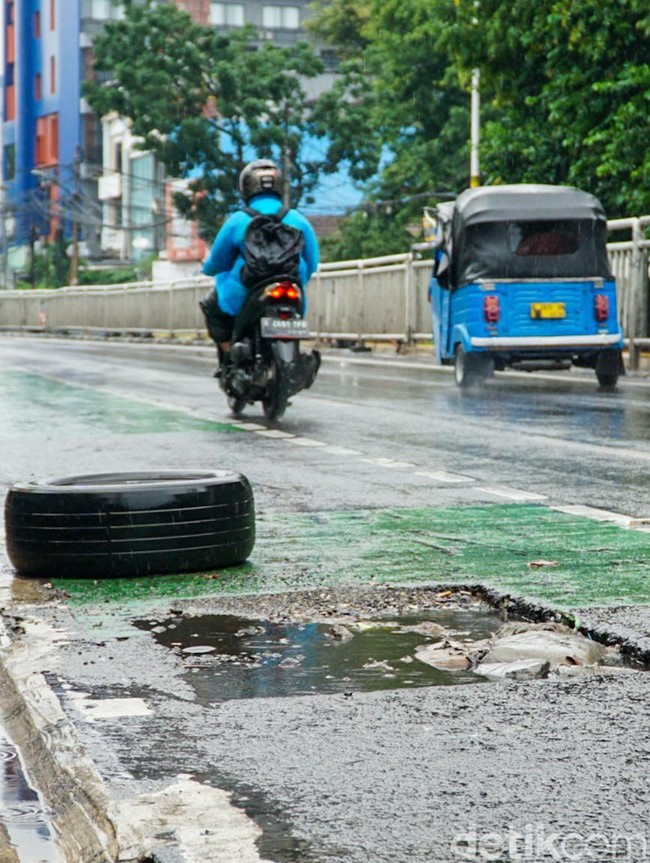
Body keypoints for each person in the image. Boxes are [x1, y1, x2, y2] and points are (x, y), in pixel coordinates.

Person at [199, 159, 320, 374]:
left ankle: (229, 358)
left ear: (245, 188)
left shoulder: (237, 220)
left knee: (211, 306)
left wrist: (208, 269)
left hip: (245, 292)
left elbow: (217, 261)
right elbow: (312, 262)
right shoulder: (297, 219)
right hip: (292, 288)